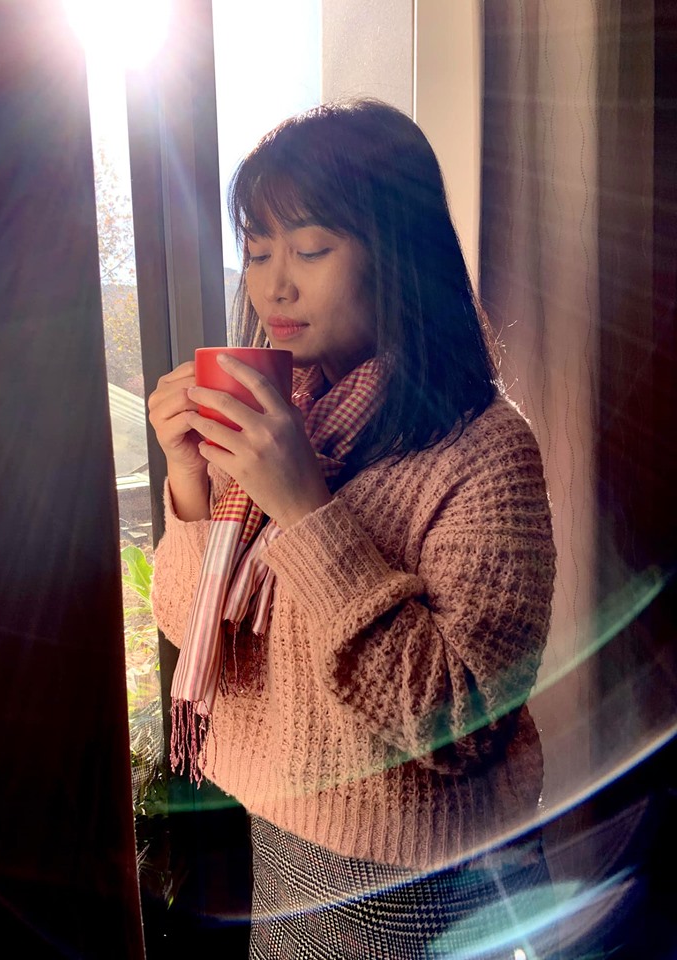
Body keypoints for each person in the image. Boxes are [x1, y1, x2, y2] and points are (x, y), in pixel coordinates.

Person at [148, 99, 558, 959]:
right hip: (280, 839)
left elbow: (466, 720)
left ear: (398, 255)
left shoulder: (485, 452)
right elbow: (189, 622)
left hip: (414, 877)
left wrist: (307, 510)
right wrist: (188, 480)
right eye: (257, 251)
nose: (274, 285)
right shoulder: (286, 417)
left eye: (309, 249)